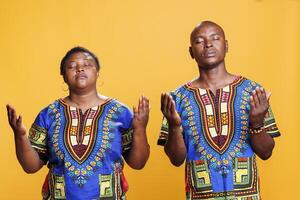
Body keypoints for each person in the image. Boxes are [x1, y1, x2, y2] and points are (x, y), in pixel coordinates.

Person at [7, 46, 150, 200]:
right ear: (63, 76)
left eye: (87, 65)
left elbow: (138, 163)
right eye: (72, 66)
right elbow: (31, 166)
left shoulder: (121, 113)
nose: (80, 68)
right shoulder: (48, 114)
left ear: (98, 72)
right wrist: (20, 135)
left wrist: (140, 128)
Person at [158, 21, 280, 199]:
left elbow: (266, 152)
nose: (208, 44)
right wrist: (174, 127)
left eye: (215, 38)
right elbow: (176, 160)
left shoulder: (252, 92)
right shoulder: (177, 98)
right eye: (199, 41)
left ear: (226, 45)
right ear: (191, 52)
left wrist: (257, 123)